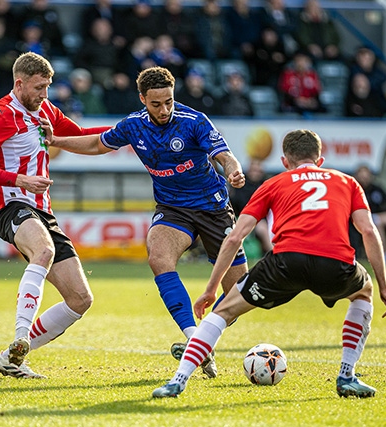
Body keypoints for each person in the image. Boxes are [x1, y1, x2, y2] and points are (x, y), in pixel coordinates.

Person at [152, 128, 386, 399]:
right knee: (363, 292)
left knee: (223, 312)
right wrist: (385, 287)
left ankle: (178, 381)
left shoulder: (273, 183)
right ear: (320, 160)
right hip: (335, 262)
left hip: (285, 262)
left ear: (285, 162)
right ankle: (347, 375)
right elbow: (368, 231)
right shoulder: (347, 182)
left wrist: (211, 290)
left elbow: (235, 237)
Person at [47, 66, 249, 379]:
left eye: (169, 101)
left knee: (239, 290)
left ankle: (205, 339)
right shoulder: (133, 126)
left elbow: (224, 155)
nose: (165, 109)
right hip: (172, 208)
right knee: (158, 258)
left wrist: (234, 171)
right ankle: (194, 337)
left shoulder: (194, 121)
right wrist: (58, 141)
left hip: (213, 208)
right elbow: (98, 144)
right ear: (143, 99)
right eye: (156, 104)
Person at [0, 52, 111, 378]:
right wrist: (20, 180)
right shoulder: (2, 114)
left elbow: (79, 135)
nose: (45, 94)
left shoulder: (44, 109)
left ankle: (11, 357)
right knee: (42, 251)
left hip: (43, 211)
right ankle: (20, 335)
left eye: (48, 87)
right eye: (39, 87)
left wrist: (129, 128)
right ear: (20, 83)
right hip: (11, 205)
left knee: (80, 299)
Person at [351, 165, 386, 262]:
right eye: (362, 176)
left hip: (375, 217)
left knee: (377, 221)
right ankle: (378, 256)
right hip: (358, 220)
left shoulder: (377, 189)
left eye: (366, 176)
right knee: (376, 222)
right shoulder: (353, 190)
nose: (364, 179)